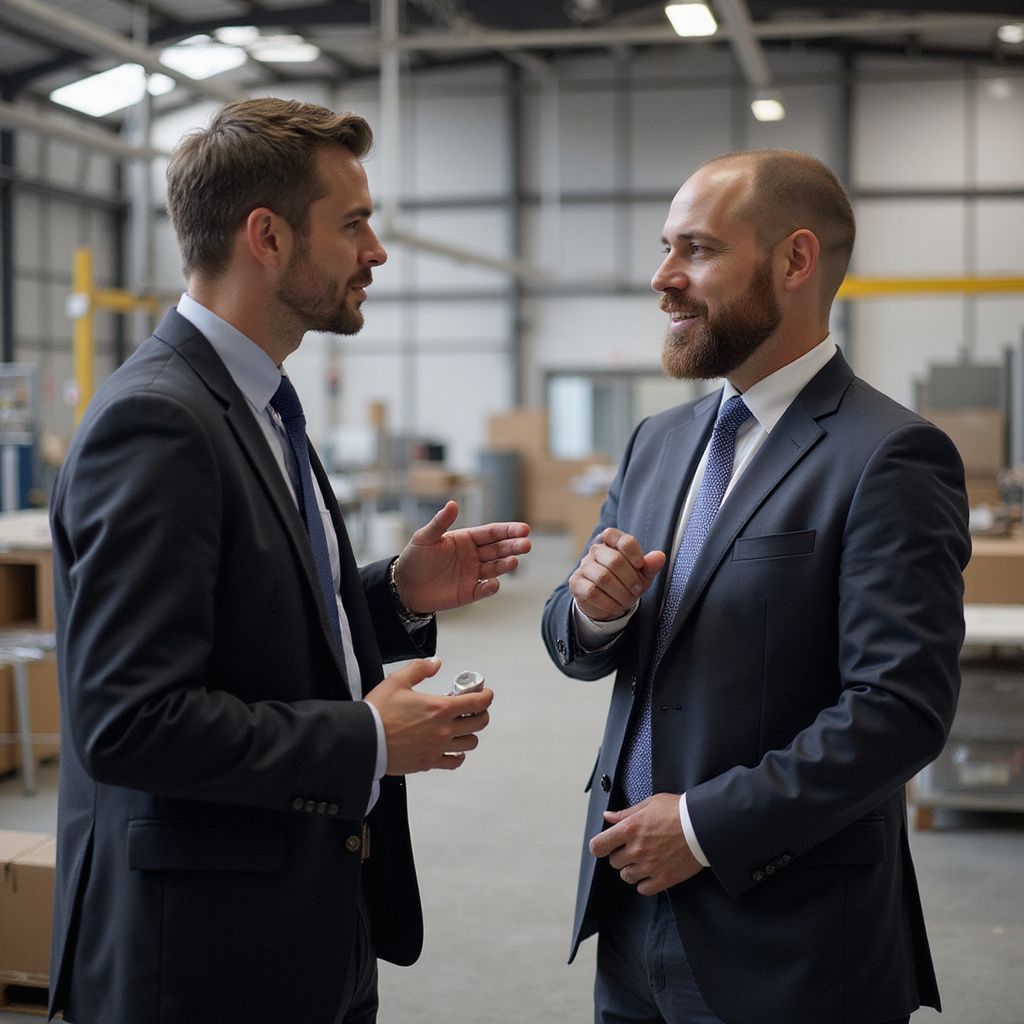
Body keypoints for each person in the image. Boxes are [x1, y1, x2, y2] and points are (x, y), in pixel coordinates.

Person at [48, 97, 530, 1024]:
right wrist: (371, 739)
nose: (377, 251)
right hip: (200, 958)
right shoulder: (159, 423)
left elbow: (246, 616)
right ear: (266, 236)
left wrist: (392, 593)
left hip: (306, 918)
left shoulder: (258, 403)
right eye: (353, 224)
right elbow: (129, 722)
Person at [541, 148, 970, 1024]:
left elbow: (900, 709)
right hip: (629, 909)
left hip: (790, 940)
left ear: (795, 261)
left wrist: (700, 827)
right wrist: (591, 612)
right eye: (666, 247)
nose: (663, 278)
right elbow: (577, 639)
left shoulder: (887, 454)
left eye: (695, 249)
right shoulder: (658, 442)